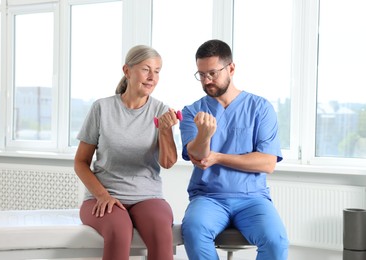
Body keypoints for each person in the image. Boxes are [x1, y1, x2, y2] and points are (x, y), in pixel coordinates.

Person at [179, 39, 289, 260]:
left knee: (276, 240)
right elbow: (198, 157)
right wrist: (204, 135)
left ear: (231, 68)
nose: (207, 80)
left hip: (252, 198)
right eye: (201, 75)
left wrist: (218, 157)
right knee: (193, 230)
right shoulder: (192, 111)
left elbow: (267, 163)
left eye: (213, 73)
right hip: (208, 198)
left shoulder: (260, 108)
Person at [74, 45, 179, 260]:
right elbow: (81, 162)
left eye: (157, 71)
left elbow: (167, 163)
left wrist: (166, 131)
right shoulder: (102, 108)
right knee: (120, 231)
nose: (152, 77)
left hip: (148, 196)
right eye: (146, 69)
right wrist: (102, 195)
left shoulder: (161, 110)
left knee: (162, 233)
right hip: (104, 195)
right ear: (127, 71)